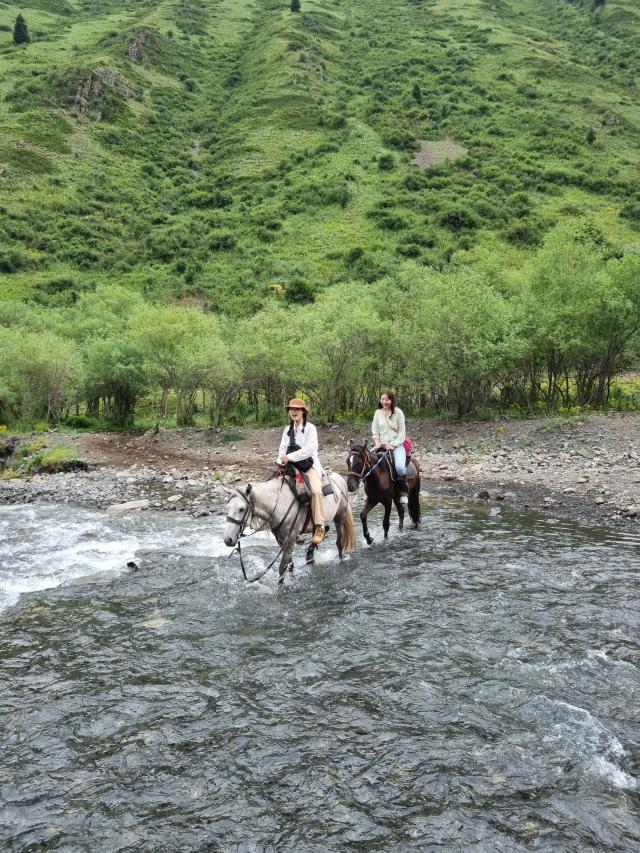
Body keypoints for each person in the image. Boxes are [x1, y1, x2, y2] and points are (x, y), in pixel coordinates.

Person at [277, 398, 326, 545]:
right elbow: (282, 449)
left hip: (308, 466)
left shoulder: (311, 428)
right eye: (291, 409)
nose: (294, 411)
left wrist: (289, 456)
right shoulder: (287, 430)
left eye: (297, 409)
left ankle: (319, 526)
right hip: (290, 466)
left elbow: (309, 450)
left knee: (316, 491)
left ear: (303, 412)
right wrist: (280, 460)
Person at [371, 390, 408, 503]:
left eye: (387, 399)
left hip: (397, 446)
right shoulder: (378, 413)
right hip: (381, 445)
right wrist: (377, 443)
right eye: (382, 399)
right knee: (366, 461)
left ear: (392, 400)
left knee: (400, 468)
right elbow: (375, 431)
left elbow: (402, 434)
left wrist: (391, 444)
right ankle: (370, 490)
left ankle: (403, 492)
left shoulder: (399, 413)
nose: (384, 402)